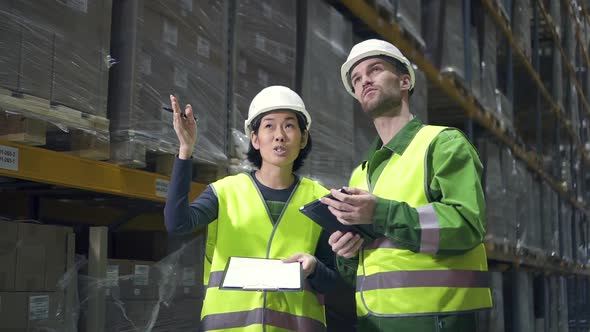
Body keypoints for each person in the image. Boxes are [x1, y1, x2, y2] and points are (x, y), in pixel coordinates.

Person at [321, 39, 492, 331]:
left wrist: (380, 213)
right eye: (357, 79)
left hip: (436, 321)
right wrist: (347, 254)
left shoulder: (443, 144)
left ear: (404, 81)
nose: (365, 81)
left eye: (375, 70)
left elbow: (468, 224)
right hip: (372, 323)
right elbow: (370, 270)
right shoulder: (360, 175)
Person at [164, 85, 339, 331]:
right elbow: (177, 223)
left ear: (303, 138)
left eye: (289, 125)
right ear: (255, 139)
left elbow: (333, 282)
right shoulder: (224, 193)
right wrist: (185, 150)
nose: (279, 135)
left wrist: (314, 268)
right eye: (269, 126)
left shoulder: (320, 201)